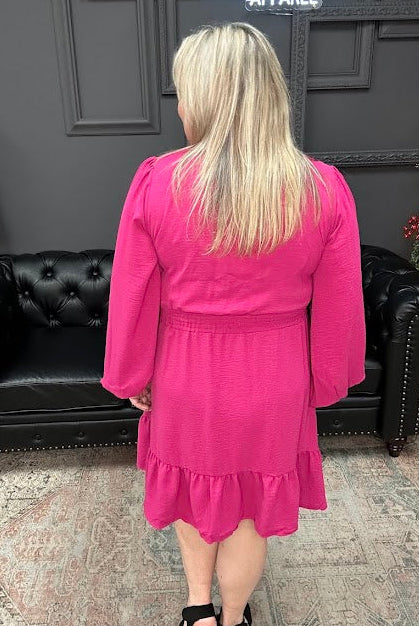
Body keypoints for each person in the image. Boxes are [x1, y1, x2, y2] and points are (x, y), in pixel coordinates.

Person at [100, 21, 366, 626]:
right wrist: (326, 380)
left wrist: (131, 373)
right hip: (275, 377)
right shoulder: (323, 188)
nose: (181, 106)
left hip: (185, 373)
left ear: (202, 97)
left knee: (194, 493)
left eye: (184, 92)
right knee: (250, 513)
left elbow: (133, 293)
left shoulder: (157, 181)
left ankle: (197, 609)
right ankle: (235, 615)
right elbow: (340, 305)